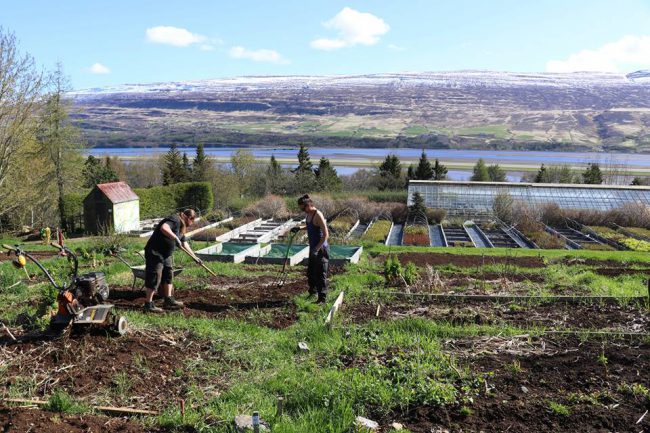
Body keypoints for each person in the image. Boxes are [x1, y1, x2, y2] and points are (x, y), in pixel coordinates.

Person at [143, 209, 201, 312]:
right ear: (189, 218)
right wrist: (175, 238)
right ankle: (148, 304)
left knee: (168, 275)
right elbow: (164, 228)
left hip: (166, 254)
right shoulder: (175, 219)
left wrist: (195, 257)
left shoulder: (181, 227)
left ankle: (168, 300)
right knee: (154, 277)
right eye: (192, 221)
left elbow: (184, 243)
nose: (191, 224)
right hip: (155, 252)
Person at [291, 194, 330, 303]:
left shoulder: (318, 215)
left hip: (321, 249)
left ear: (308, 205)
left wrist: (316, 249)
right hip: (313, 248)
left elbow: (326, 235)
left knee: (320, 274)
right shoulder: (309, 214)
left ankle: (322, 299)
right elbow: (310, 226)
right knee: (311, 272)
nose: (303, 210)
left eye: (303, 208)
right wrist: (299, 228)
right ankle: (313, 293)